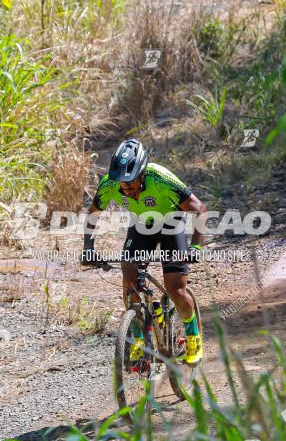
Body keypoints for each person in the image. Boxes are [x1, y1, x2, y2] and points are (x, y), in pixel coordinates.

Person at [81, 138, 207, 366]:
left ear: (142, 174)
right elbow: (92, 215)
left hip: (171, 224)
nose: (126, 190)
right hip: (141, 227)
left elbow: (199, 209)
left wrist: (195, 247)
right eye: (122, 185)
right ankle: (139, 338)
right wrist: (88, 249)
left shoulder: (160, 178)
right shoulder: (110, 184)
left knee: (175, 288)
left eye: (130, 184)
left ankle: (192, 335)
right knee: (130, 283)